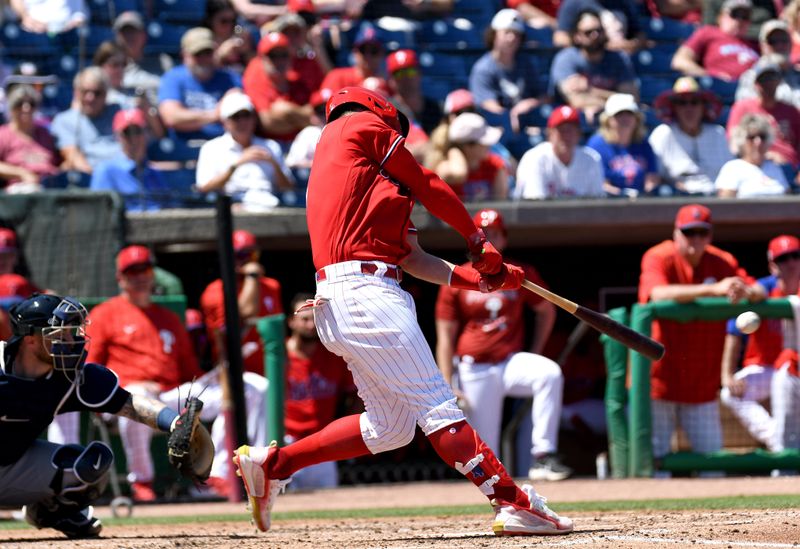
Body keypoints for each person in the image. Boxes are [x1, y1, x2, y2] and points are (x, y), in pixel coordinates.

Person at [232, 86, 573, 536]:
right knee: (437, 406)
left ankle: (275, 464)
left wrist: (486, 278)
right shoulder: (355, 122)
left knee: (390, 427)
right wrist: (477, 242)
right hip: (365, 294)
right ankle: (511, 501)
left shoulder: (362, 183)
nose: (398, 142)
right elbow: (429, 182)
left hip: (352, 297)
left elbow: (413, 258)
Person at [0, 293, 202, 537]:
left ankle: (49, 512)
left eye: (71, 332)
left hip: (12, 465)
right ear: (30, 340)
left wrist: (175, 423)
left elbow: (130, 403)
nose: (70, 341)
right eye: (59, 335)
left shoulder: (69, 377)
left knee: (93, 463)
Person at [86, 245, 267, 501]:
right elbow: (92, 370)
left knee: (247, 388)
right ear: (120, 277)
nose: (139, 276)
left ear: (153, 273)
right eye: (132, 271)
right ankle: (143, 481)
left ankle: (217, 473)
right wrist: (125, 384)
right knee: (136, 396)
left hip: (171, 394)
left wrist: (212, 377)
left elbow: (188, 371)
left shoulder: (168, 318)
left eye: (144, 269)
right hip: (126, 398)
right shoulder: (105, 314)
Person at [435, 208, 572, 481]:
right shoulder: (457, 276)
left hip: (509, 361)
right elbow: (445, 336)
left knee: (549, 374)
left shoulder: (517, 273)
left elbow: (547, 310)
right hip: (474, 369)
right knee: (487, 458)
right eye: (483, 234)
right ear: (473, 240)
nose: (490, 239)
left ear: (504, 239)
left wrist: (534, 351)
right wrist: (447, 384)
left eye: (495, 233)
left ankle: (543, 456)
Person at [638, 204, 764, 474]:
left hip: (701, 385)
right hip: (660, 382)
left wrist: (745, 291)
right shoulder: (658, 256)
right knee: (655, 467)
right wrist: (713, 289)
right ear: (676, 233)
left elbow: (758, 289)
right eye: (689, 232)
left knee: (712, 468)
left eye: (702, 233)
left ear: (710, 235)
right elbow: (656, 294)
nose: (695, 239)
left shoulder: (721, 261)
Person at [720, 235, 800, 452]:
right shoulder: (766, 287)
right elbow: (754, 294)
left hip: (796, 371)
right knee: (730, 393)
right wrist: (726, 374)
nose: (792, 263)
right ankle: (777, 441)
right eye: (784, 258)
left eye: (796, 256)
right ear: (773, 266)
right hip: (766, 369)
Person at [284, 292, 358, 490]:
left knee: (328, 504)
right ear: (291, 322)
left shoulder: (334, 355)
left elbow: (355, 395)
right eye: (304, 319)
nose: (310, 325)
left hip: (322, 442)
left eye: (315, 319)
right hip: (287, 441)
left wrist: (344, 432)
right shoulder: (278, 357)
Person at [200, 229, 284, 376]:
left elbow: (279, 332)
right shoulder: (215, 291)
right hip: (234, 375)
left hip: (270, 371)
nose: (247, 261)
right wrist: (251, 277)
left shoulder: (272, 286)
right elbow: (245, 315)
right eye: (240, 255)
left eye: (252, 255)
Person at [196, 92, 295, 211]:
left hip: (270, 206)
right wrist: (236, 164)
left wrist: (273, 163)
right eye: (236, 117)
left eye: (246, 115)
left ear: (254, 118)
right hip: (234, 207)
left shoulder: (271, 146)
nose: (242, 122)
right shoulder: (211, 148)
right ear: (225, 122)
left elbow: (288, 188)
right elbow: (204, 188)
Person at [549, 9, 639, 124]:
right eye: (588, 32)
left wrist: (590, 90)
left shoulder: (619, 58)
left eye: (598, 30)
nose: (595, 35)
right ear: (577, 36)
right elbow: (577, 100)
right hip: (574, 122)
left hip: (613, 121)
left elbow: (631, 99)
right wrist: (615, 101)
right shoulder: (566, 59)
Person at [650, 76, 731, 196]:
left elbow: (730, 172)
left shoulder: (718, 133)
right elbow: (654, 176)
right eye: (682, 103)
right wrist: (673, 186)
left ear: (703, 107)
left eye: (694, 102)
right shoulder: (663, 134)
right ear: (674, 108)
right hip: (677, 199)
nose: (689, 109)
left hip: (717, 198)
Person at [158, 27, 241, 144]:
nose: (203, 59)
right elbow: (171, 117)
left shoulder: (231, 78)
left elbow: (242, 118)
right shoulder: (173, 77)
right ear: (184, 55)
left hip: (224, 148)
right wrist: (215, 115)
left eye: (207, 53)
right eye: (197, 54)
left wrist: (192, 120)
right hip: (184, 148)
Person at [469, 9, 546, 134]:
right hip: (496, 129)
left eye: (516, 34)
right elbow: (487, 105)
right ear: (494, 35)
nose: (512, 38)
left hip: (526, 124)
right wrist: (511, 115)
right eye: (507, 32)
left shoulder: (526, 63)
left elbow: (544, 97)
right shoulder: (483, 68)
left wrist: (530, 104)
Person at [89, 109, 174, 212]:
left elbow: (171, 209)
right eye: (127, 133)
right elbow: (100, 214)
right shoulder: (105, 171)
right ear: (118, 137)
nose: (134, 139)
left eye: (137, 131)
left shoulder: (154, 173)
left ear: (146, 134)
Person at [514, 104, 604, 199]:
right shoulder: (534, 158)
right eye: (562, 130)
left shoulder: (591, 159)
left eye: (571, 130)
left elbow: (596, 203)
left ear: (579, 133)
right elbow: (535, 207)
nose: (567, 136)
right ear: (550, 133)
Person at [727, 55, 800, 169]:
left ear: (779, 81)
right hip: (755, 166)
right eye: (764, 79)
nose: (768, 83)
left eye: (772, 78)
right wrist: (763, 156)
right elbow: (734, 144)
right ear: (756, 83)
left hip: (789, 167)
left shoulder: (791, 111)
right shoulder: (743, 107)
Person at [241, 31, 313, 144]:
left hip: (299, 143)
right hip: (269, 144)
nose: (279, 61)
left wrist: (287, 110)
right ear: (262, 59)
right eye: (273, 56)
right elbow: (268, 123)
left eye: (283, 55)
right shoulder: (257, 80)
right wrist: (299, 119)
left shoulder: (296, 80)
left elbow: (314, 118)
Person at [50, 67, 123, 175]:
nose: (90, 98)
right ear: (76, 93)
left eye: (97, 93)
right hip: (90, 181)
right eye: (85, 92)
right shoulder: (64, 121)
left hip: (125, 177)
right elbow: (73, 158)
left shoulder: (119, 113)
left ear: (106, 94)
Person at [586, 93, 660, 197]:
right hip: (608, 202)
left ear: (637, 119)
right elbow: (599, 184)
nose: (625, 118)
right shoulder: (597, 145)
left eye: (629, 114)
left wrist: (645, 193)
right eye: (619, 115)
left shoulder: (643, 143)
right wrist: (624, 195)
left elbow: (651, 177)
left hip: (641, 201)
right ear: (608, 120)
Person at [671, 0, 759, 82]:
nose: (739, 20)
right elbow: (680, 61)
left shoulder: (754, 43)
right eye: (735, 14)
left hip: (753, 89)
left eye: (745, 17)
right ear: (721, 17)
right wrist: (710, 76)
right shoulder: (708, 32)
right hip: (719, 88)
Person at [93, 41, 164, 139]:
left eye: (124, 64)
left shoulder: (136, 92)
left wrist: (146, 108)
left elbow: (159, 134)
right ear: (101, 65)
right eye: (115, 64)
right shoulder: (94, 95)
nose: (120, 69)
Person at [432, 112, 509, 201]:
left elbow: (501, 204)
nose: (489, 145)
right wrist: (454, 151)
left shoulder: (495, 165)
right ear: (468, 146)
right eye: (483, 142)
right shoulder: (445, 167)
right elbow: (458, 174)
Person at [0, 85, 60, 193]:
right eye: (20, 104)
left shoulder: (45, 134)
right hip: (20, 190)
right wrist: (22, 173)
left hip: (49, 187)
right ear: (11, 108)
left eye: (31, 104)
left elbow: (57, 163)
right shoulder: (3, 134)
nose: (26, 108)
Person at [716, 113, 789, 198]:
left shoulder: (775, 167)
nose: (758, 142)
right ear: (742, 140)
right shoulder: (732, 168)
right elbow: (725, 205)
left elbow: (788, 199)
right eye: (751, 137)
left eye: (762, 137)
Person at [735, 20, 800, 108]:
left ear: (791, 44)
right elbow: (747, 112)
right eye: (772, 41)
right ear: (762, 45)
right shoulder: (751, 77)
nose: (779, 46)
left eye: (784, 40)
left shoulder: (797, 75)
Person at [553, 0, 646, 53]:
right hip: (589, 65)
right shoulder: (574, 2)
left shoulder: (623, 2)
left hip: (620, 63)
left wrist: (631, 44)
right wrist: (596, 46)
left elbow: (639, 34)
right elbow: (560, 38)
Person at [386, 49, 442, 135]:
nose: (406, 78)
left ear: (420, 73)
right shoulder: (387, 111)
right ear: (390, 80)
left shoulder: (436, 109)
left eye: (410, 71)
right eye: (399, 73)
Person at [319, 23, 385, 94]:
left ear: (382, 54)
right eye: (363, 50)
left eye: (373, 51)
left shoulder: (388, 84)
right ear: (355, 52)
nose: (368, 56)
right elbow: (318, 103)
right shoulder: (337, 76)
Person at [112, 11, 166, 99]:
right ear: (117, 36)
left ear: (143, 35)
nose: (129, 36)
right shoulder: (110, 66)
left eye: (133, 31)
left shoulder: (162, 63)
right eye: (125, 32)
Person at [204, 0, 255, 75]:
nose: (229, 25)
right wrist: (221, 55)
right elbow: (202, 70)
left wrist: (247, 52)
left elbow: (256, 67)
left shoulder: (239, 33)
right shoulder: (204, 38)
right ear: (210, 20)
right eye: (224, 21)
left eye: (233, 21)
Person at [9, 0, 88, 34]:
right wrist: (25, 17)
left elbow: (80, 16)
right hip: (32, 31)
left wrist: (64, 27)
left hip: (67, 33)